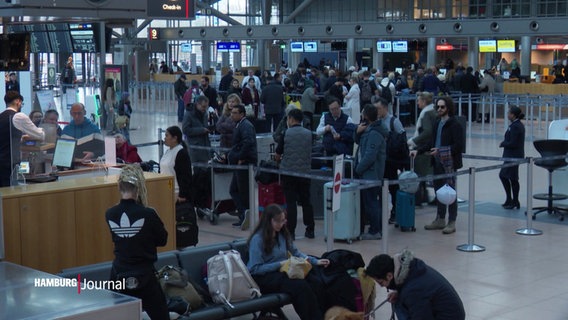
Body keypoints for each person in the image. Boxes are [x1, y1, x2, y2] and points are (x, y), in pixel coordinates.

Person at [105, 164, 169, 320]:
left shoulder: (110, 213)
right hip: (144, 275)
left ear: (119, 186)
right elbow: (163, 240)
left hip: (118, 274)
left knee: (120, 316)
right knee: (161, 316)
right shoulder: (148, 213)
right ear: (140, 187)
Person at [247, 204, 329, 320]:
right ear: (269, 221)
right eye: (278, 221)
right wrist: (280, 264)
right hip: (264, 277)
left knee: (314, 281)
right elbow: (255, 269)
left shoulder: (282, 234)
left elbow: (296, 252)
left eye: (283, 220)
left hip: (283, 272)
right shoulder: (258, 239)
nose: (282, 224)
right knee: (300, 287)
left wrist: (315, 261)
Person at [411, 96, 464, 234]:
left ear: (448, 108)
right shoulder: (437, 123)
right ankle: (440, 218)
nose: (439, 109)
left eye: (442, 107)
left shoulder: (455, 125)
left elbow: (459, 145)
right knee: (438, 191)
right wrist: (419, 150)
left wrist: (441, 151)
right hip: (437, 162)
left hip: (449, 163)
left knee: (450, 192)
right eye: (438, 107)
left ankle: (451, 221)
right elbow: (431, 143)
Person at [365, 249, 465, 320]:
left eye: (381, 282)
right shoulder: (411, 269)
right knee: (399, 301)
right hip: (450, 312)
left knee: (402, 302)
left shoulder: (413, 290)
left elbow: (422, 317)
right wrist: (398, 293)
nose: (382, 286)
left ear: (389, 275)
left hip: (449, 316)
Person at [274, 108, 315, 240]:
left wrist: (279, 160)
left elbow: (278, 153)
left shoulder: (286, 133)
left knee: (291, 203)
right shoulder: (309, 133)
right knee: (306, 201)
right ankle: (310, 229)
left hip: (288, 173)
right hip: (305, 173)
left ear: (291, 119)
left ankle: (291, 231)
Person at [0, 91, 45, 187]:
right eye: (21, 103)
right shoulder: (18, 116)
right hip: (10, 165)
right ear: (18, 101)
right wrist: (43, 128)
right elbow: (40, 135)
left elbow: (6, 137)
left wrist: (21, 137)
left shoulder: (1, 116)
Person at [355, 105, 387, 240]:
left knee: (372, 202)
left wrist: (358, 169)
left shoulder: (374, 133)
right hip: (367, 174)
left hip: (371, 175)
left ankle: (375, 230)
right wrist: (357, 132)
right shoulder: (369, 130)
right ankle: (375, 228)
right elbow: (358, 141)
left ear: (366, 116)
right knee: (370, 202)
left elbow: (369, 156)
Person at [375, 97, 407, 224]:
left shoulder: (394, 121)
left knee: (393, 187)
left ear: (385, 108)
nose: (377, 111)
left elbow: (401, 140)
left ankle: (395, 211)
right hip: (380, 161)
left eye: (378, 108)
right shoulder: (376, 121)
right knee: (381, 188)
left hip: (391, 161)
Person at [228, 104, 257, 228]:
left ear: (242, 114)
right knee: (234, 189)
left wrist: (240, 157)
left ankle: (246, 215)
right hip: (240, 162)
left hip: (245, 163)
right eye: (232, 112)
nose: (232, 115)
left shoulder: (246, 126)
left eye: (235, 113)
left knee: (242, 191)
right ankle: (243, 214)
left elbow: (247, 143)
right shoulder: (240, 125)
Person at [407, 92, 437, 205]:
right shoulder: (433, 111)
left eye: (419, 100)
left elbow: (427, 131)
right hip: (429, 146)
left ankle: (419, 197)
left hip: (422, 147)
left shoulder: (425, 114)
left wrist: (413, 141)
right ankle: (425, 196)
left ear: (424, 101)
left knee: (419, 173)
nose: (417, 102)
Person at [499, 106, 525, 210]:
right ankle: (511, 199)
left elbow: (513, 143)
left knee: (510, 177)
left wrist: (503, 143)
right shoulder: (515, 125)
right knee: (506, 176)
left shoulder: (516, 126)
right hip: (511, 155)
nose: (507, 114)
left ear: (513, 115)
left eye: (509, 113)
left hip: (513, 156)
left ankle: (514, 200)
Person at [159, 126, 192, 204]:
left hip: (176, 192)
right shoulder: (167, 151)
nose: (164, 138)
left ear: (174, 138)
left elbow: (185, 175)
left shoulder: (181, 153)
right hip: (165, 189)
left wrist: (182, 195)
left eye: (167, 136)